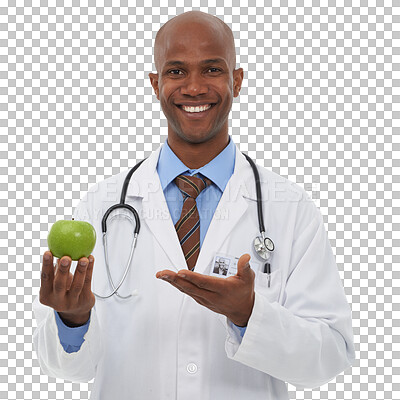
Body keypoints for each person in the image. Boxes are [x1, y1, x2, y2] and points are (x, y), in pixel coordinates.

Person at [33, 10, 355, 400]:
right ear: (155, 84)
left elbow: (330, 357)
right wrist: (72, 319)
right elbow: (69, 369)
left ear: (237, 80)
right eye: (176, 72)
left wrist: (249, 315)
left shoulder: (289, 207)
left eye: (212, 69)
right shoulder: (102, 206)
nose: (195, 87)